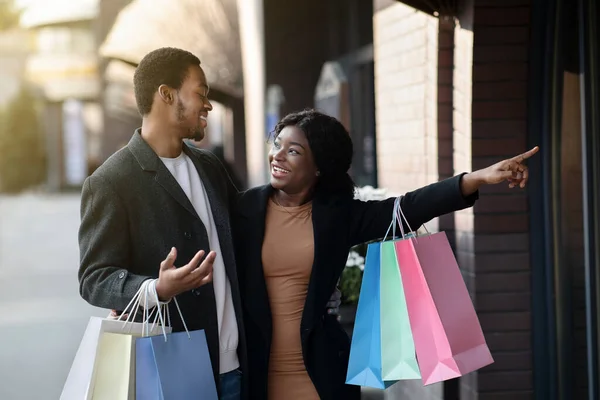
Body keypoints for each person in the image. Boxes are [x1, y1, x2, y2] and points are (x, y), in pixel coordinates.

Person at [230, 109, 539, 399]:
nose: (277, 156)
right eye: (278, 144)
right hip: (253, 375)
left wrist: (477, 178)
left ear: (320, 167)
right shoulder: (243, 210)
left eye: (293, 151)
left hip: (320, 375)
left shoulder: (337, 216)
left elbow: (407, 207)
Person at [78, 47, 246, 399]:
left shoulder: (211, 167)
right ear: (167, 95)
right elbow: (94, 278)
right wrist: (156, 289)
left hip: (235, 369)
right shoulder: (110, 181)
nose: (208, 104)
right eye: (200, 92)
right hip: (168, 373)